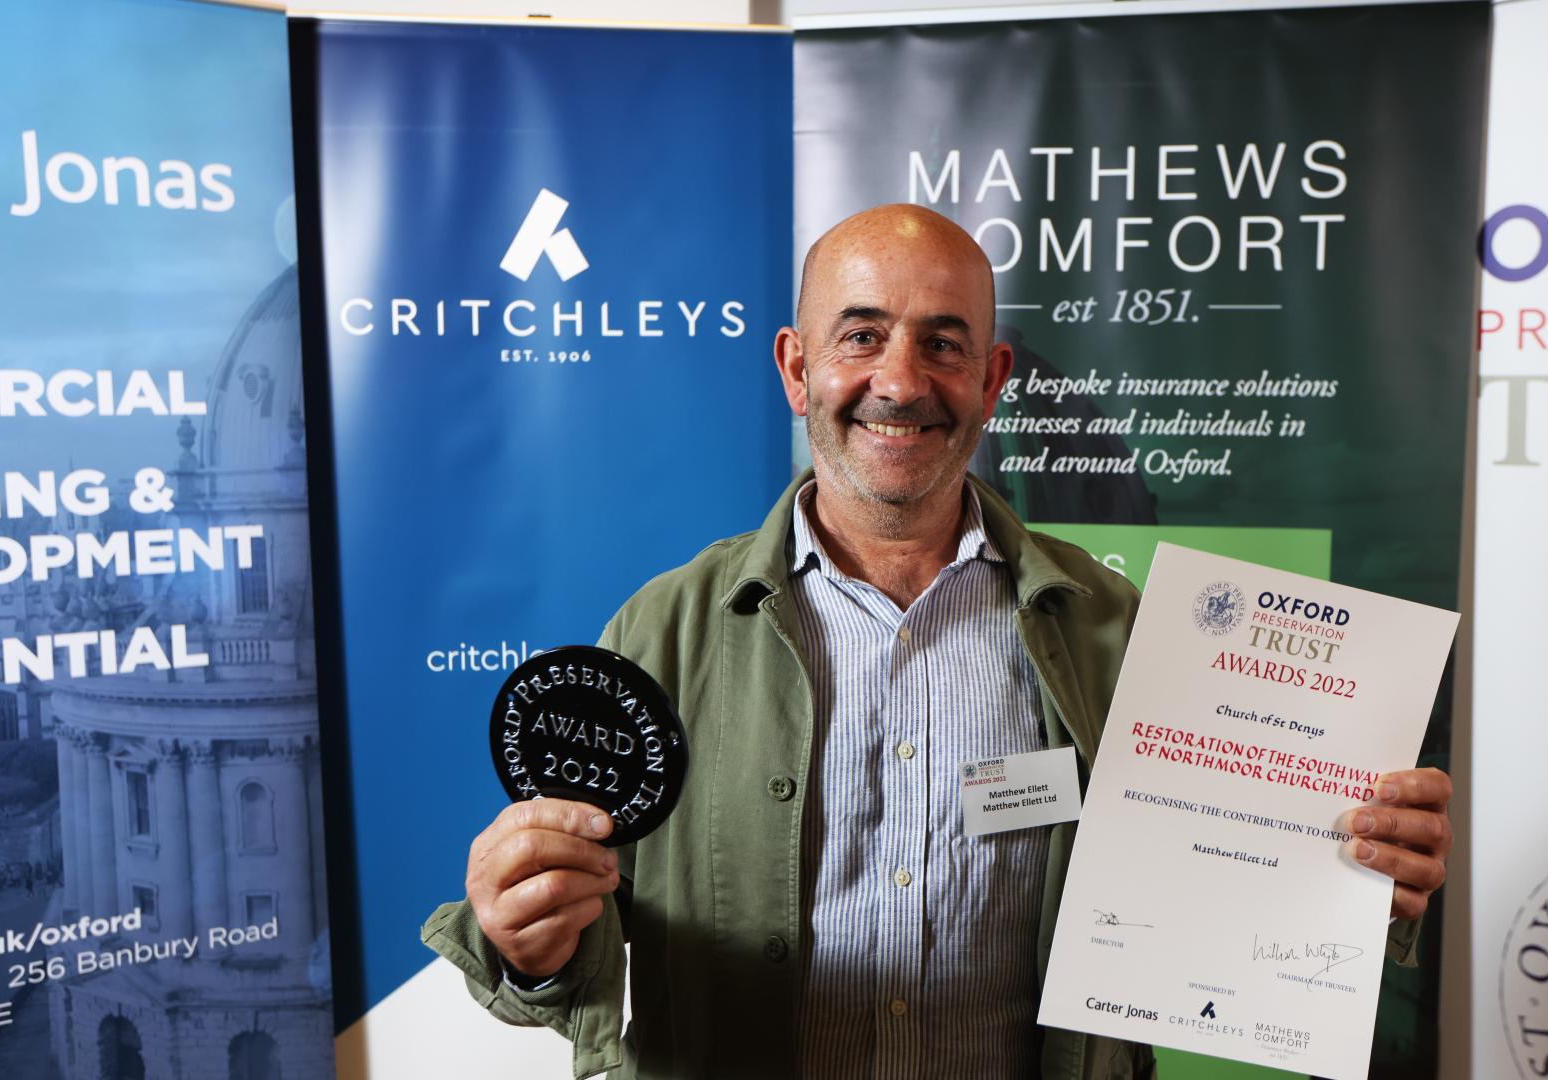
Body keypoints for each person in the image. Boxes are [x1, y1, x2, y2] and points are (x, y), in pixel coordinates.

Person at [424, 204, 1454, 1079]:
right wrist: (531, 942)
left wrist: (1352, 877)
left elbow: (1209, 886)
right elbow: (562, 959)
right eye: (860, 335)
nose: (902, 380)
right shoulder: (663, 631)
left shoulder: (1113, 629)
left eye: (944, 342)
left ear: (993, 376)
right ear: (797, 367)